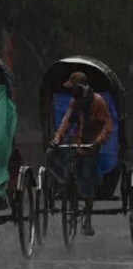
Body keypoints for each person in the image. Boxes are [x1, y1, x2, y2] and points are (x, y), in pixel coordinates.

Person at [48, 71, 113, 236]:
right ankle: (67, 193)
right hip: (77, 142)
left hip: (90, 145)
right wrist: (57, 138)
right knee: (64, 163)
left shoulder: (97, 101)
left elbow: (107, 125)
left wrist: (98, 140)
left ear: (80, 87)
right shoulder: (75, 102)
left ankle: (88, 220)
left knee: (87, 181)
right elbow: (67, 120)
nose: (71, 91)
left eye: (73, 87)